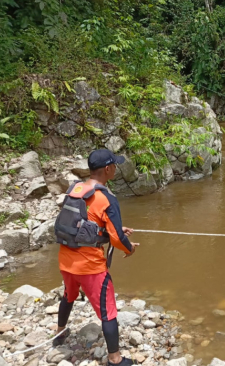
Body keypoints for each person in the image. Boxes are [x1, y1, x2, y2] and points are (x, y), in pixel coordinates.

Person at [54, 149, 140, 366]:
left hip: (66, 259)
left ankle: (59, 333)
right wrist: (129, 249)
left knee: (68, 296)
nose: (116, 168)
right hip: (90, 266)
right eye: (115, 165)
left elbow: (82, 222)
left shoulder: (76, 189)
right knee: (108, 310)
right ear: (108, 169)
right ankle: (115, 359)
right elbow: (118, 238)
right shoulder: (106, 198)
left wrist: (111, 230)